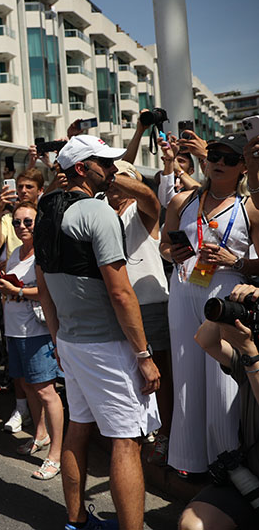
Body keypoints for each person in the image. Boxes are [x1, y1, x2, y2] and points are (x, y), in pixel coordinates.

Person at [36, 135, 161, 530]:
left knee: (79, 428)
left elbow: (44, 286)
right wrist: (143, 355)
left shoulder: (44, 210)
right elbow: (121, 293)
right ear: (81, 168)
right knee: (126, 440)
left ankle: (76, 521)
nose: (111, 170)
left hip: (71, 341)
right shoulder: (99, 212)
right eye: (105, 164)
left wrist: (57, 338)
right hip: (107, 345)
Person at [160, 133, 259, 477]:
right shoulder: (182, 201)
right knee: (185, 373)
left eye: (229, 159)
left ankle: (226, 464)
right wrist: (171, 252)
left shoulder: (250, 208)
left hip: (225, 294)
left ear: (243, 167)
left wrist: (237, 261)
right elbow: (163, 245)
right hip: (184, 288)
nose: (219, 163)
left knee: (222, 382)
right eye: (214, 155)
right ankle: (188, 461)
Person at [105, 160, 174, 465]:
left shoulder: (141, 210)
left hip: (150, 305)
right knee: (130, 375)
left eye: (121, 177)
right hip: (117, 308)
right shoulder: (104, 213)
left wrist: (110, 174)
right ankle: (140, 431)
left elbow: (149, 196)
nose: (113, 183)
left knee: (161, 375)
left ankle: (166, 435)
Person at [180, 283, 259, 530]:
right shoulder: (250, 358)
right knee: (193, 525)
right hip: (250, 478)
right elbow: (205, 340)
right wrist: (228, 306)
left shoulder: (252, 357)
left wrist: (250, 352)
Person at [0, 202, 63, 481]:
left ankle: (56, 455)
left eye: (28, 222)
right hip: (16, 330)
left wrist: (17, 290)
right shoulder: (15, 253)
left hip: (37, 331)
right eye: (17, 222)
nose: (22, 226)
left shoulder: (42, 254)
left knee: (46, 391)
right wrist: (10, 289)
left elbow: (47, 292)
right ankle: (40, 435)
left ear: (38, 223)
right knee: (27, 385)